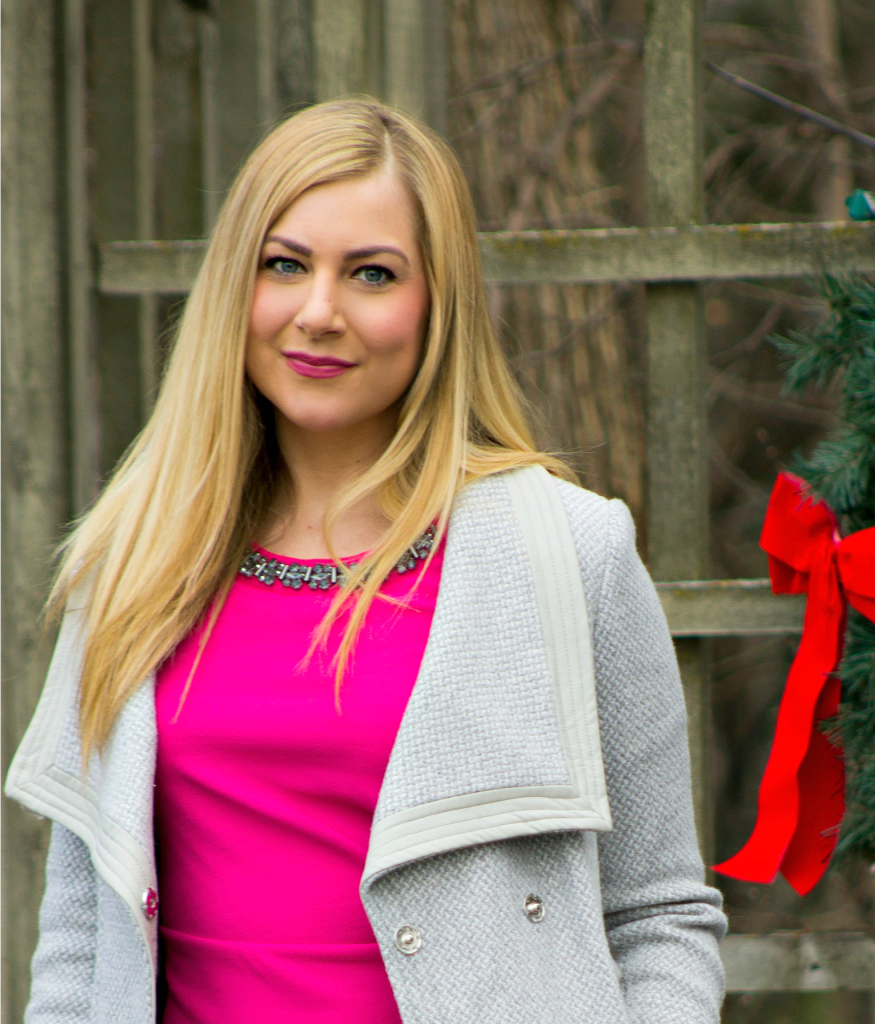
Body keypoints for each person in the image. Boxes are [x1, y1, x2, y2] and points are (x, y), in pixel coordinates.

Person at [6, 99, 726, 1024]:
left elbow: (659, 912)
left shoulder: (565, 553)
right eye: (285, 265)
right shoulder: (135, 558)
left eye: (372, 275)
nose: (319, 312)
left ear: (436, 304)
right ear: (236, 287)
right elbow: (79, 935)